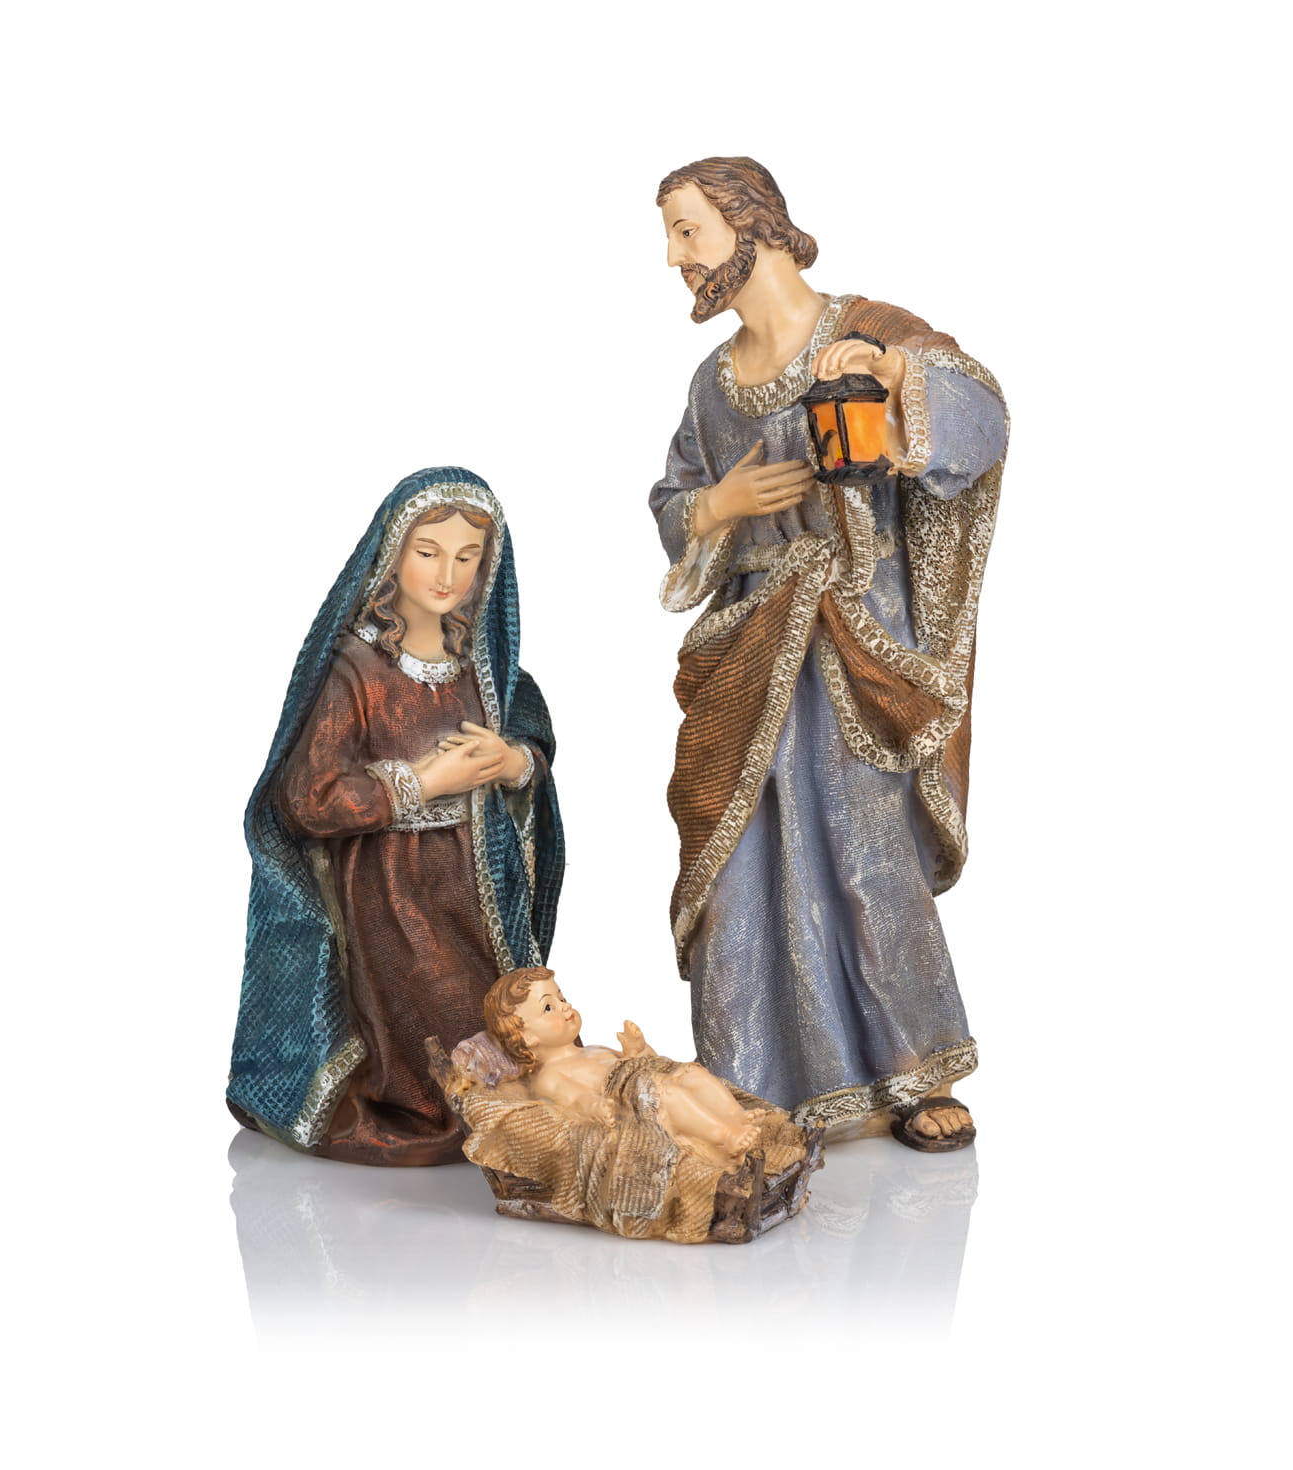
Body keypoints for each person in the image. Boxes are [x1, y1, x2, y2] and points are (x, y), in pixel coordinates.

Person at [648, 157, 1008, 1150]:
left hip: (858, 639)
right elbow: (674, 502)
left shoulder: (869, 328)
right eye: (672, 235)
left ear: (751, 224)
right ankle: (749, 1080)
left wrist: (896, 385)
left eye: (688, 231)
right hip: (750, 641)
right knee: (734, 857)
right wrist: (719, 505)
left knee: (865, 849)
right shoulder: (712, 385)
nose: (675, 258)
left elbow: (980, 418)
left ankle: (915, 1070)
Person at [228, 466, 564, 1165]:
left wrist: (511, 762)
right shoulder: (356, 669)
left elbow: (533, 740)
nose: (447, 575)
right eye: (429, 552)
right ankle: (444, 1108)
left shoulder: (484, 665)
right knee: (438, 1034)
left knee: (503, 1018)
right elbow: (308, 797)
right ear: (392, 553)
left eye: (467, 558)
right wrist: (425, 780)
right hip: (391, 893)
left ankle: (518, 1112)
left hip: (479, 886)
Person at [481, 968, 778, 1167]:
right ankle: (724, 1137)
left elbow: (640, 1063)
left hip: (648, 1076)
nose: (565, 1006)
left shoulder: (593, 1049)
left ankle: (735, 1115)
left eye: (562, 998)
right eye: (549, 1008)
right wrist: (596, 1107)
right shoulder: (550, 1076)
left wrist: (638, 1049)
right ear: (526, 1037)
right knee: (669, 1095)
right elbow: (573, 1099)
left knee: (692, 1073)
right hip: (630, 1097)